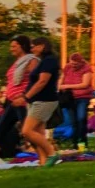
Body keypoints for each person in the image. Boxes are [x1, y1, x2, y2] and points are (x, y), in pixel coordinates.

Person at [0, 36, 40, 169]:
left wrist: (25, 96)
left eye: (14, 46)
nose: (11, 49)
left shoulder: (31, 60)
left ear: (22, 46)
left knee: (28, 132)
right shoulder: (17, 62)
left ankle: (44, 157)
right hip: (12, 102)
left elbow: (35, 80)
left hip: (23, 102)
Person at [19, 36, 60, 166]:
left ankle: (52, 153)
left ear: (42, 46)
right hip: (37, 100)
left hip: (44, 100)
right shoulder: (43, 61)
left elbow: (42, 81)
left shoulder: (50, 61)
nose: (32, 49)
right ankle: (43, 162)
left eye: (33, 46)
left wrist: (26, 96)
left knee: (27, 131)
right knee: (38, 133)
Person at [58, 51, 94, 151]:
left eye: (75, 64)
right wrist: (59, 86)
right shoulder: (67, 67)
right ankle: (75, 143)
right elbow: (62, 78)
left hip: (82, 97)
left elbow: (85, 84)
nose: (73, 65)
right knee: (73, 121)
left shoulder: (86, 68)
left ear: (80, 62)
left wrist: (66, 86)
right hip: (69, 98)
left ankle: (83, 141)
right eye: (72, 63)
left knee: (81, 119)